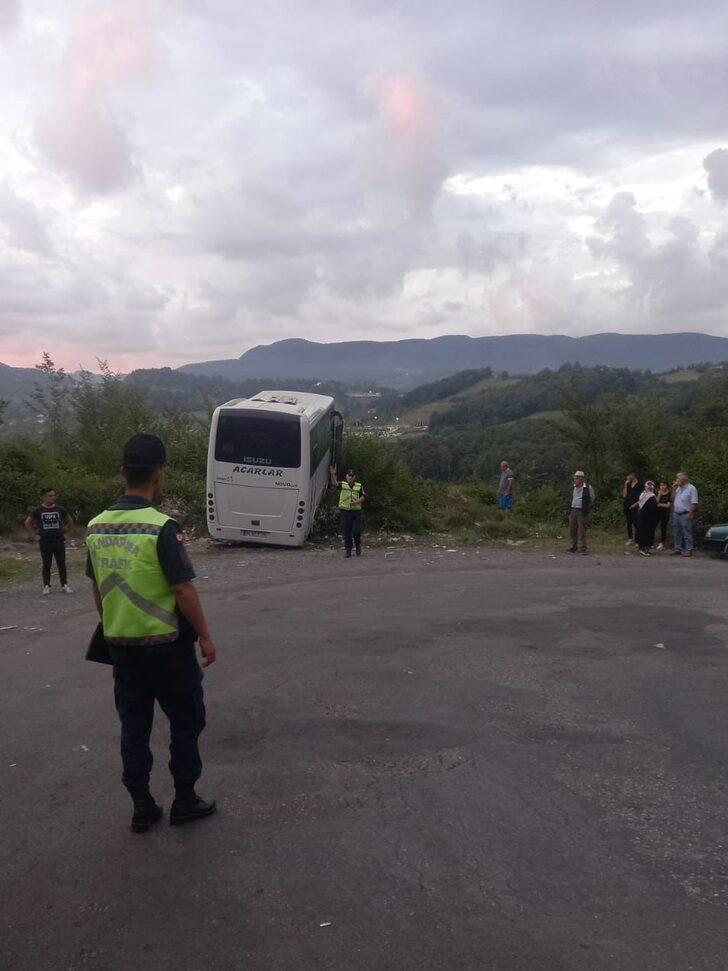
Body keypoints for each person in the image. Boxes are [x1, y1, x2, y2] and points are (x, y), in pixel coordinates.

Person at [86, 434, 217, 833]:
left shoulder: (96, 527)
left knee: (134, 726)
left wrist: (115, 625)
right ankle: (185, 799)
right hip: (167, 648)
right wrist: (206, 637)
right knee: (184, 720)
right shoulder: (161, 528)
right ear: (159, 474)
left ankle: (142, 806)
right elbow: (182, 589)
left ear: (123, 471)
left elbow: (98, 589)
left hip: (122, 647)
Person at [25, 488, 75, 595]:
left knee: (61, 563)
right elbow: (28, 522)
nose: (53, 498)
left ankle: (64, 585)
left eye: (54, 495)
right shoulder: (38, 510)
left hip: (59, 541)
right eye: (50, 496)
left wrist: (68, 534)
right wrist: (34, 536)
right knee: (46, 564)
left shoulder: (59, 509)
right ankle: (46, 586)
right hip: (45, 542)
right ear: (44, 497)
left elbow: (70, 520)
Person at [330, 465, 365, 557]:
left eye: (352, 476)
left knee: (356, 532)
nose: (350, 477)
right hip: (345, 512)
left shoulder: (359, 486)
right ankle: (348, 551)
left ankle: (357, 546)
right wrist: (333, 474)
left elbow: (363, 497)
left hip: (356, 512)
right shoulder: (343, 484)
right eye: (349, 476)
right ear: (346, 476)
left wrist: (357, 501)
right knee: (347, 532)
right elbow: (334, 483)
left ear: (354, 477)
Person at [567, 471, 595, 555]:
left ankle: (582, 548)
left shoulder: (588, 488)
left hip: (582, 510)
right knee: (573, 529)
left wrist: (586, 506)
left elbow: (592, 498)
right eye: (575, 478)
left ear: (581, 478)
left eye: (576, 478)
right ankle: (574, 546)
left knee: (581, 530)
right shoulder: (574, 487)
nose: (574, 479)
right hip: (574, 509)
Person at [672, 472, 698, 557]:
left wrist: (690, 513)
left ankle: (689, 550)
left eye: (678, 478)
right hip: (676, 513)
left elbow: (694, 503)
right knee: (677, 532)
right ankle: (678, 549)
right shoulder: (678, 488)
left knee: (687, 533)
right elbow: (672, 499)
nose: (677, 480)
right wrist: (674, 489)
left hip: (685, 513)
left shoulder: (691, 488)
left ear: (684, 479)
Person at [635, 480, 659, 556]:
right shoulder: (645, 495)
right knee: (644, 532)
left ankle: (646, 549)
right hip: (645, 517)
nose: (650, 487)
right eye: (648, 486)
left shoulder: (650, 495)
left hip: (648, 518)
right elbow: (645, 506)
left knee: (648, 532)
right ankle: (643, 549)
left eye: (651, 485)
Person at [622, 472, 643, 545]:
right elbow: (624, 495)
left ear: (633, 475)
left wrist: (636, 504)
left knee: (636, 522)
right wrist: (625, 485)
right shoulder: (628, 484)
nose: (627, 477)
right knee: (629, 522)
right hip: (627, 505)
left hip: (636, 505)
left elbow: (642, 497)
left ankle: (638, 539)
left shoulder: (640, 484)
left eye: (628, 475)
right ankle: (630, 538)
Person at [655, 481, 672, 550]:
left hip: (665, 513)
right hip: (657, 512)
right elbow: (656, 502)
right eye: (661, 485)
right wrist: (659, 494)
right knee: (653, 526)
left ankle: (662, 543)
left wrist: (660, 504)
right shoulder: (658, 492)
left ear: (666, 486)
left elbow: (668, 505)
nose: (662, 487)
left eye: (663, 485)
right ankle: (651, 542)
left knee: (663, 528)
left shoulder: (669, 493)